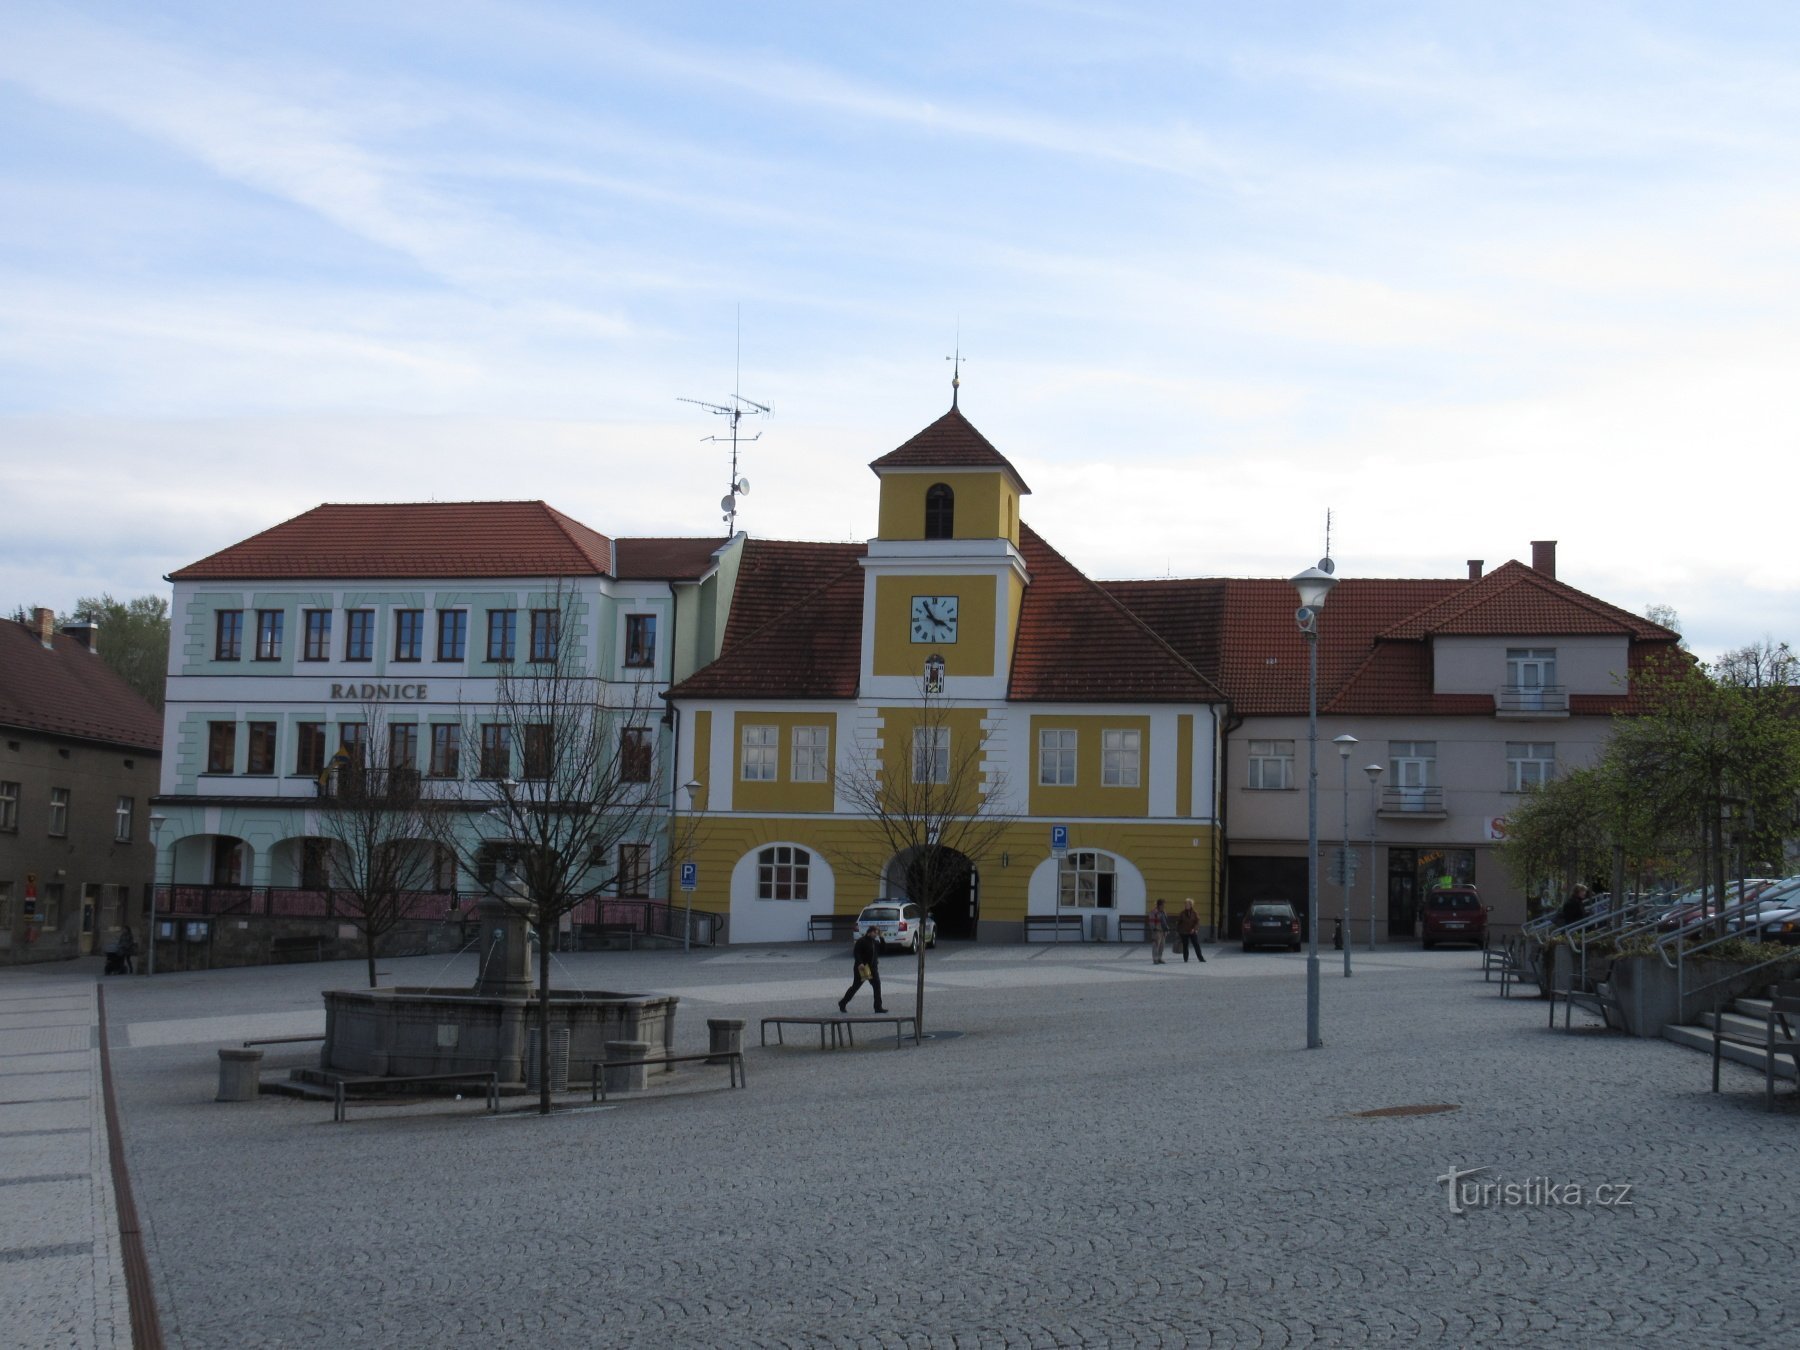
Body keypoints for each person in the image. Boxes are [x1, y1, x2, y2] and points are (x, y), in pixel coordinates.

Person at [839, 925, 886, 1013]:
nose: (876, 934)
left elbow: (883, 950)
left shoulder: (875, 942)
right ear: (870, 932)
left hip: (873, 968)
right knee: (855, 987)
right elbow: (856, 953)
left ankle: (878, 1007)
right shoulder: (861, 941)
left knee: (877, 986)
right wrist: (860, 962)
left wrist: (882, 938)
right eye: (875, 933)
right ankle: (843, 1002)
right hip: (863, 968)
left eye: (877, 933)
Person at [1175, 899, 1205, 963]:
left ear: (1191, 905)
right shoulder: (1182, 913)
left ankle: (1200, 958)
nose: (1186, 905)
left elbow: (1197, 922)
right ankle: (1185, 958)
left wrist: (1194, 929)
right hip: (1184, 932)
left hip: (1192, 931)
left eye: (1187, 904)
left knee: (1196, 944)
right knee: (1185, 945)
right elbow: (1178, 922)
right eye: (1185, 904)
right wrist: (1178, 931)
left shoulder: (1194, 913)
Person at [1149, 899, 1169, 964]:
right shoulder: (1154, 912)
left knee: (1162, 945)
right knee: (1156, 945)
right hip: (1157, 930)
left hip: (1163, 931)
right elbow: (1151, 922)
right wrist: (1154, 929)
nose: (1164, 906)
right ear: (1159, 905)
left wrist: (1166, 929)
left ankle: (1160, 958)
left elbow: (1165, 921)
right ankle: (1155, 959)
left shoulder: (1164, 912)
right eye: (1163, 905)